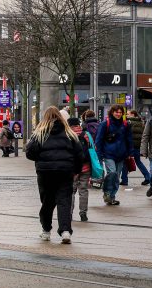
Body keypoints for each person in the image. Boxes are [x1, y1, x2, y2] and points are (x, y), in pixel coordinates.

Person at [25, 106, 86, 243]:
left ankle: (46, 230)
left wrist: (41, 159)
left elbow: (30, 153)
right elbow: (79, 155)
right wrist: (76, 171)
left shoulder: (39, 133)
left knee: (47, 202)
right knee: (64, 201)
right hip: (65, 172)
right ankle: (65, 231)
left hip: (45, 173)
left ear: (44, 117)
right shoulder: (70, 133)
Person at [93, 104, 132, 207]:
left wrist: (129, 152)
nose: (118, 114)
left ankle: (111, 197)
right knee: (112, 173)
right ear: (112, 112)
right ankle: (107, 193)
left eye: (120, 112)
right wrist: (99, 155)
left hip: (121, 154)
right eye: (116, 112)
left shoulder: (125, 124)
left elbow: (129, 139)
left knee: (117, 177)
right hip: (108, 153)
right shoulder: (105, 124)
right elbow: (99, 140)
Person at [69, 117, 94, 222]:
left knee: (71, 191)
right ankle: (83, 213)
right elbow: (92, 149)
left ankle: (69, 214)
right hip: (85, 167)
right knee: (83, 190)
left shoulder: (68, 135)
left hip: (72, 168)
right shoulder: (86, 134)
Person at [120, 109, 152, 190]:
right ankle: (147, 177)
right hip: (138, 145)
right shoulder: (141, 122)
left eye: (128, 114)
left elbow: (126, 135)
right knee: (138, 162)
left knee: (126, 162)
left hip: (129, 146)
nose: (127, 115)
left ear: (133, 115)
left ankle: (124, 180)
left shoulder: (128, 123)